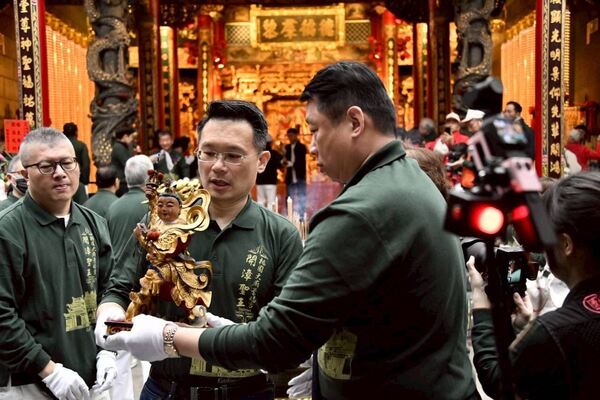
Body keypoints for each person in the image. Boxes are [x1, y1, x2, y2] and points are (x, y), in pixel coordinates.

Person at [102, 62, 478, 399]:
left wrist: (169, 337)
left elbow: (278, 339)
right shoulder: (410, 181)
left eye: (315, 130)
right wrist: (111, 321)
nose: (311, 147)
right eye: (208, 153)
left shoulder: (355, 213)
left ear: (355, 122)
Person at [97, 99, 303, 399]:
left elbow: (288, 334)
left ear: (262, 161)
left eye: (233, 155)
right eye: (208, 153)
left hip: (246, 391)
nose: (217, 166)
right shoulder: (161, 223)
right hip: (166, 390)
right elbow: (119, 290)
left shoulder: (280, 235)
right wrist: (110, 323)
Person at [0, 127, 116, 399]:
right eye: (47, 166)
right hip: (31, 382)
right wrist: (48, 370)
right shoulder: (8, 230)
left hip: (93, 377)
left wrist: (108, 350)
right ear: (25, 174)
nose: (60, 173)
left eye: (67, 162)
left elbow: (111, 290)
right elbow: (2, 314)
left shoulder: (94, 223)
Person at [469, 172, 600, 399]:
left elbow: (498, 380)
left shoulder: (554, 332)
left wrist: (482, 306)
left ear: (566, 244)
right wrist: (527, 331)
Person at [105, 155, 153, 260]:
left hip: (116, 267)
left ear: (126, 178)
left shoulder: (113, 206)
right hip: (140, 268)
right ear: (149, 178)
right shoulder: (152, 206)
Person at [63, 122, 90, 204]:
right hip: (78, 180)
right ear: (76, 132)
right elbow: (86, 165)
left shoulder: (60, 146)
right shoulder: (81, 145)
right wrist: (85, 181)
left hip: (63, 181)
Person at [283, 127, 307, 217]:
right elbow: (285, 159)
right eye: (288, 136)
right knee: (289, 196)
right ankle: (289, 214)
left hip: (299, 175)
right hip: (290, 176)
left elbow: (300, 161)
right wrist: (284, 162)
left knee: (302, 196)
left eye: (291, 136)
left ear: (296, 136)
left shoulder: (302, 147)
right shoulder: (287, 147)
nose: (290, 138)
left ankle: (301, 215)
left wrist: (291, 163)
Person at [256, 134, 283, 209]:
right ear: (271, 143)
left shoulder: (258, 154)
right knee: (271, 203)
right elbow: (280, 165)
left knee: (260, 202)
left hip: (260, 181)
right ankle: (269, 217)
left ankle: (260, 216)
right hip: (271, 181)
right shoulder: (274, 153)